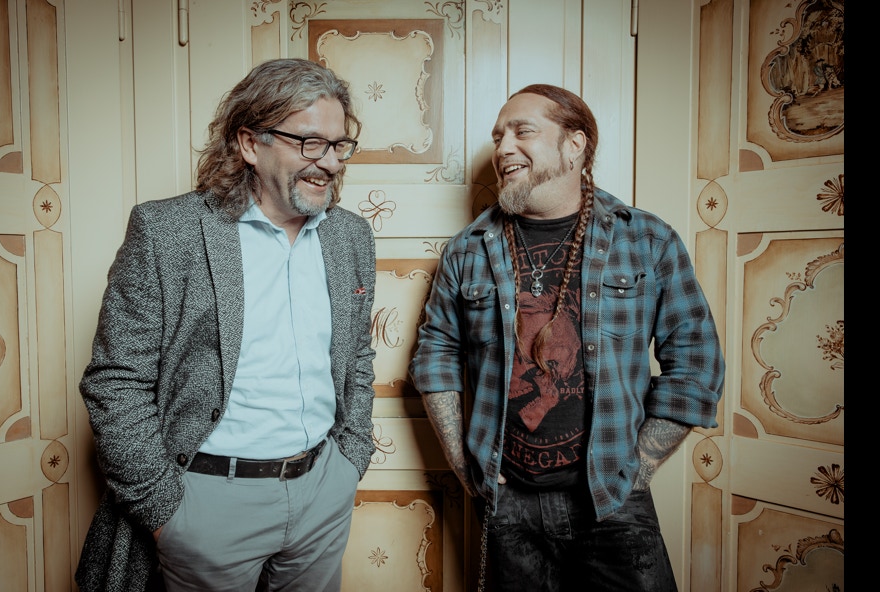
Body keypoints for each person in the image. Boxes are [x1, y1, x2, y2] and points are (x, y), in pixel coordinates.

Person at [76, 58, 377, 592]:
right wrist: (164, 510)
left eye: (338, 145)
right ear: (249, 143)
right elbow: (116, 381)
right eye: (310, 143)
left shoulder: (350, 236)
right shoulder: (167, 230)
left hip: (322, 491)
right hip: (208, 502)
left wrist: (349, 460)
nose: (329, 162)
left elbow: (356, 356)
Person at [409, 84, 725, 591]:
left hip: (612, 501)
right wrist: (462, 462)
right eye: (498, 136)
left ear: (575, 144)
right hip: (507, 502)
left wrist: (638, 469)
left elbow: (696, 360)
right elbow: (436, 354)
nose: (504, 147)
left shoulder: (645, 239)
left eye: (522, 131)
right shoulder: (468, 250)